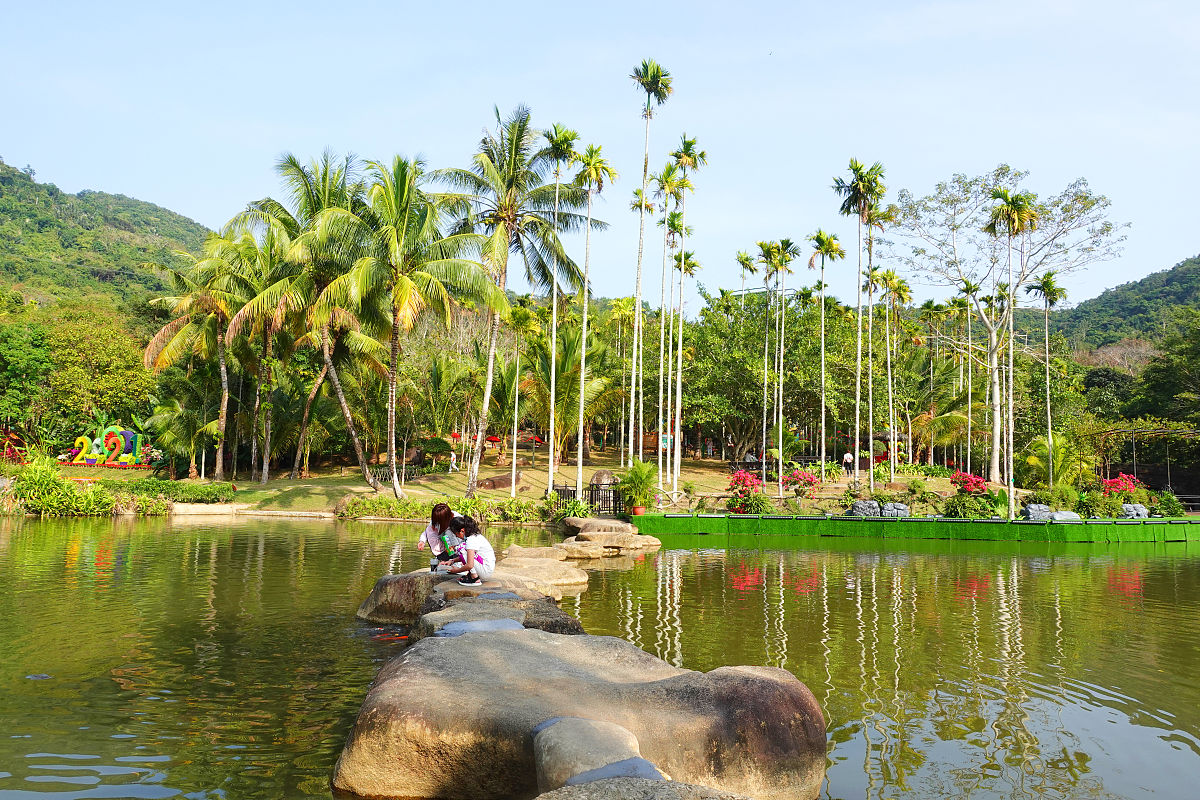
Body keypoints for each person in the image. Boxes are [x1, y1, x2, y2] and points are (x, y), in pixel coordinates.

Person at [443, 516, 495, 586]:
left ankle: (475, 578)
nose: (457, 537)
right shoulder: (474, 536)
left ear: (462, 531)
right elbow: (469, 556)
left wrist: (456, 570)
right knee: (463, 547)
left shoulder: (471, 540)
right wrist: (452, 561)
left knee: (461, 548)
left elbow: (470, 565)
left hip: (485, 570)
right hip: (486, 569)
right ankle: (471, 575)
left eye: (456, 534)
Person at [416, 502, 461, 569]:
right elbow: (427, 531)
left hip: (456, 552)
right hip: (442, 551)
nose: (436, 523)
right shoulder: (437, 519)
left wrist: (453, 548)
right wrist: (422, 541)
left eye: (438, 521)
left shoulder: (457, 521)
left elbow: (462, 541)